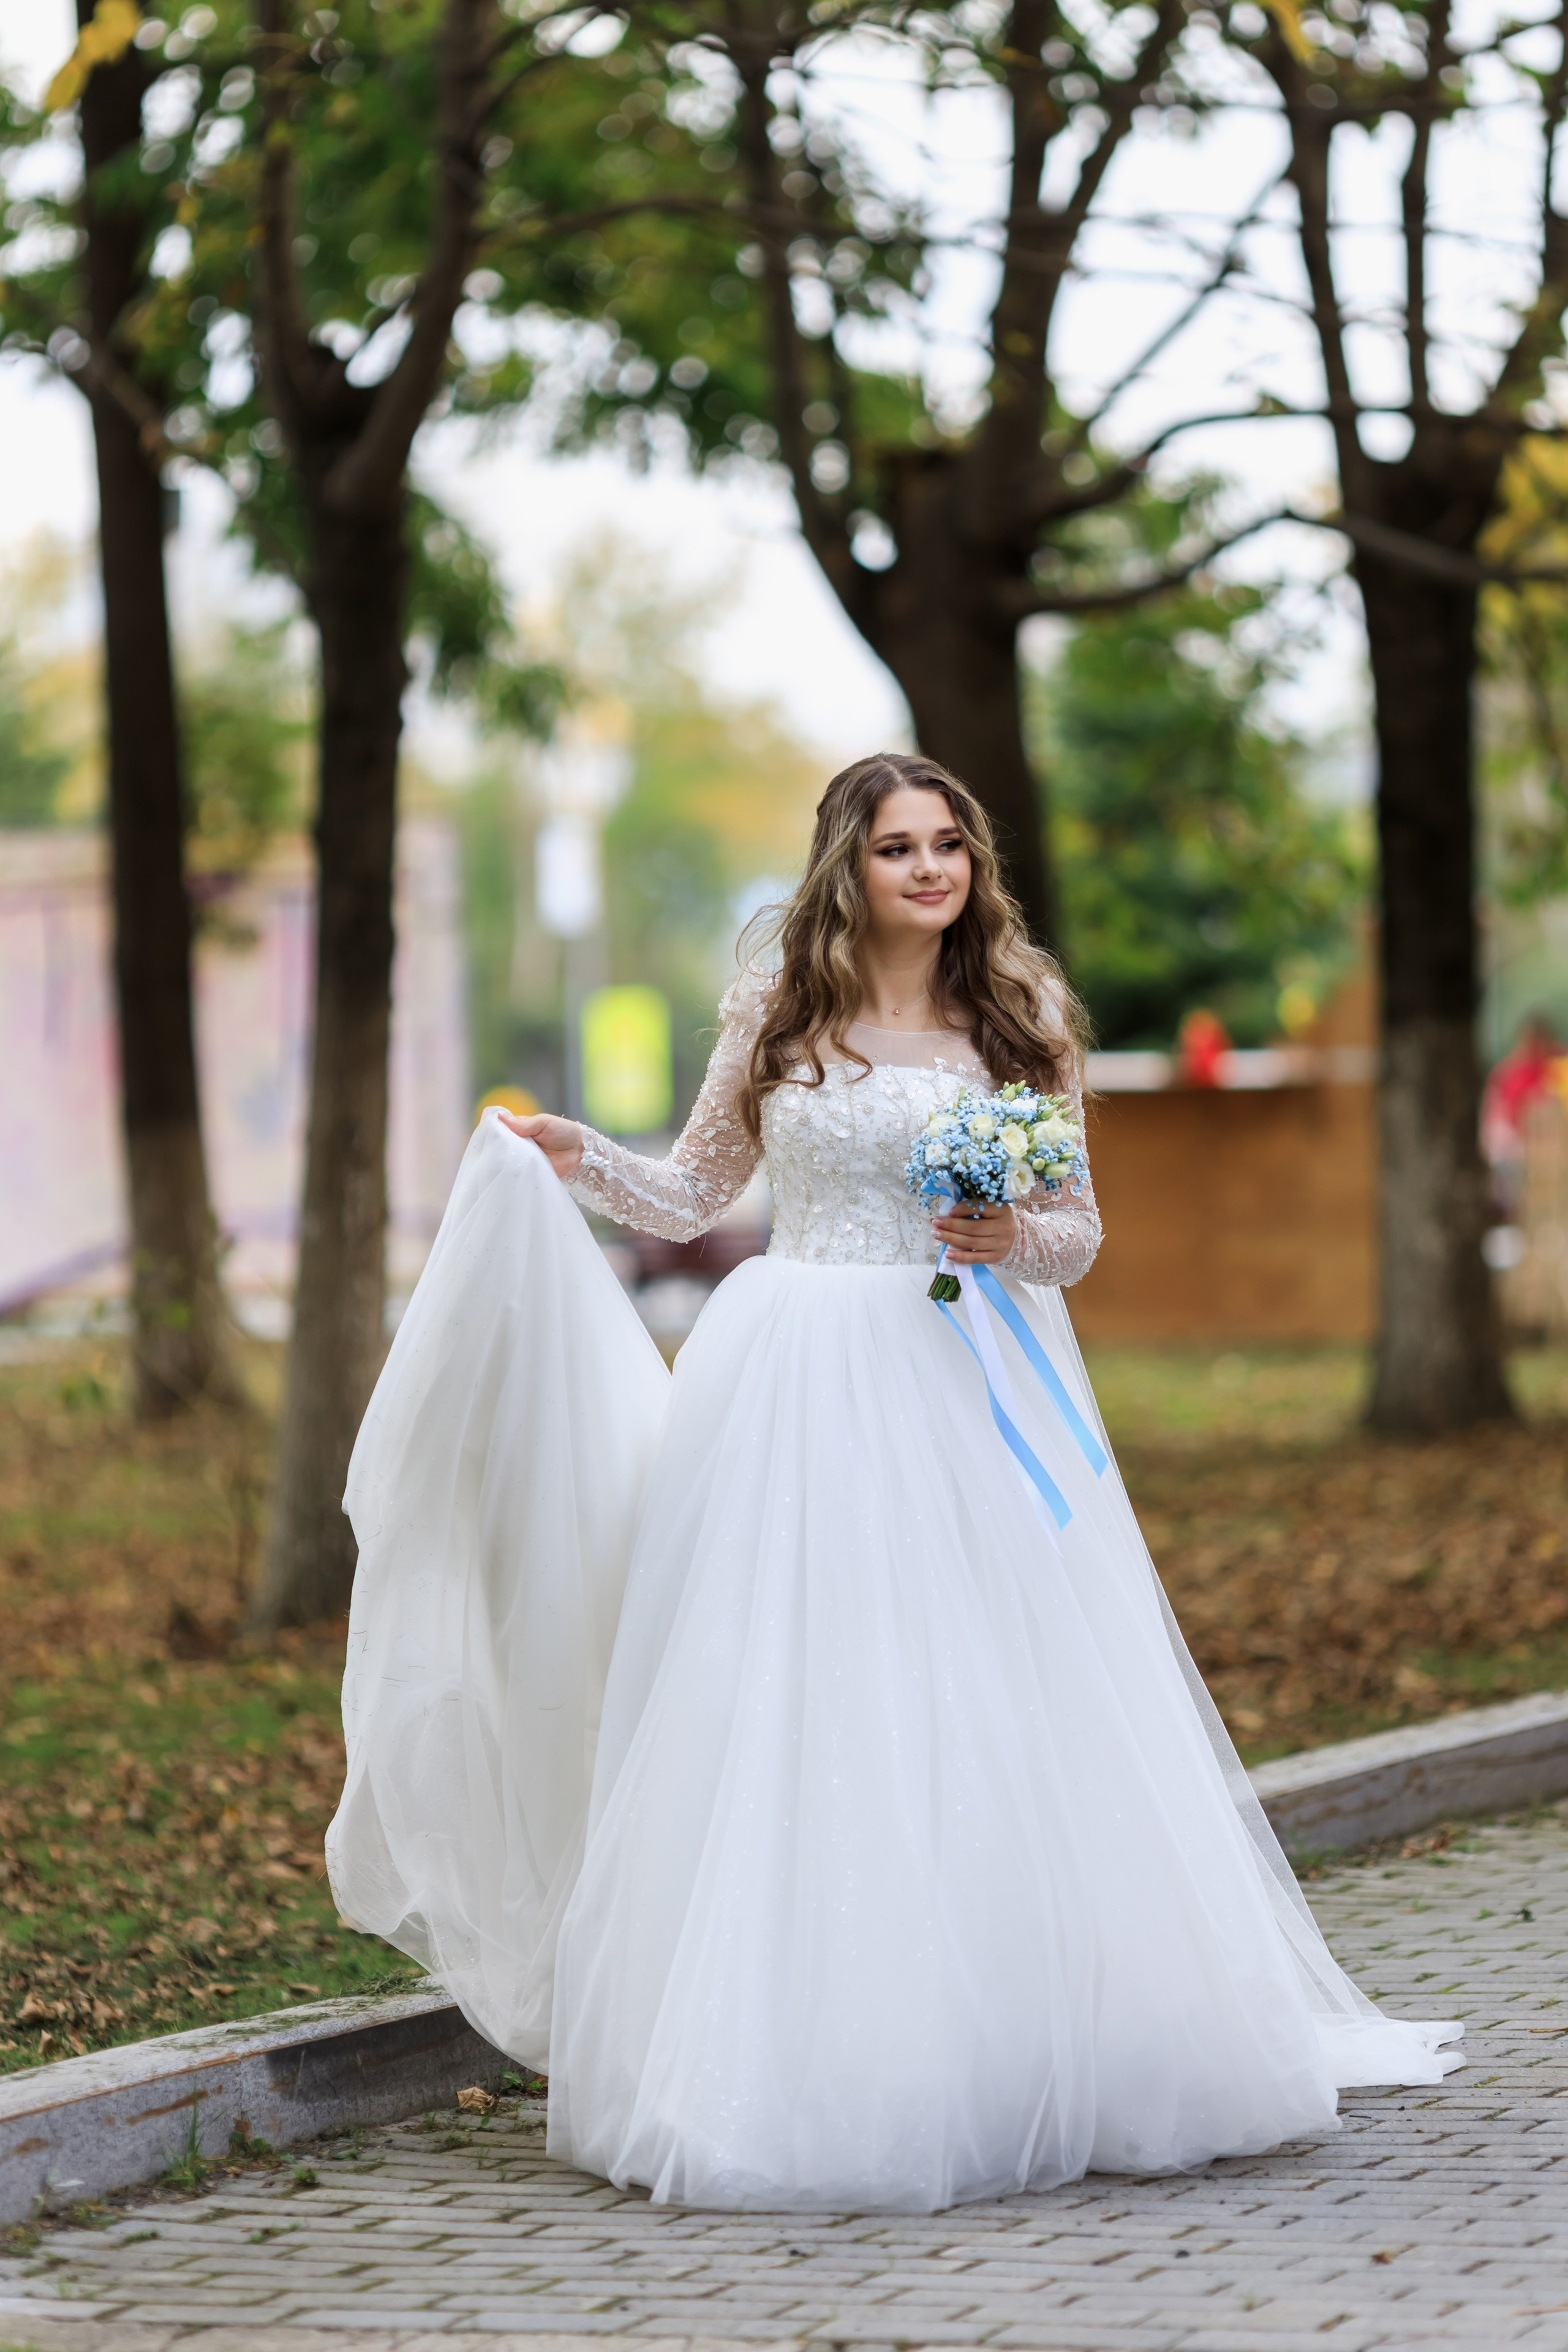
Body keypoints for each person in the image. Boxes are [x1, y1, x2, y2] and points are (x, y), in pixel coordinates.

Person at [327, 752, 1461, 2216]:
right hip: (793, 1376)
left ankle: (1021, 2032)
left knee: (981, 1688)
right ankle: (798, 2040)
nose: (928, 870)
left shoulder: (1019, 1015)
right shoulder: (776, 1011)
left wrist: (1009, 1242)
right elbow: (694, 1193)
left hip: (956, 1382)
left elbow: (1076, 1235)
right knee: (797, 1690)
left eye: (945, 846)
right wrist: (573, 1156)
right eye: (895, 850)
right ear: (844, 870)